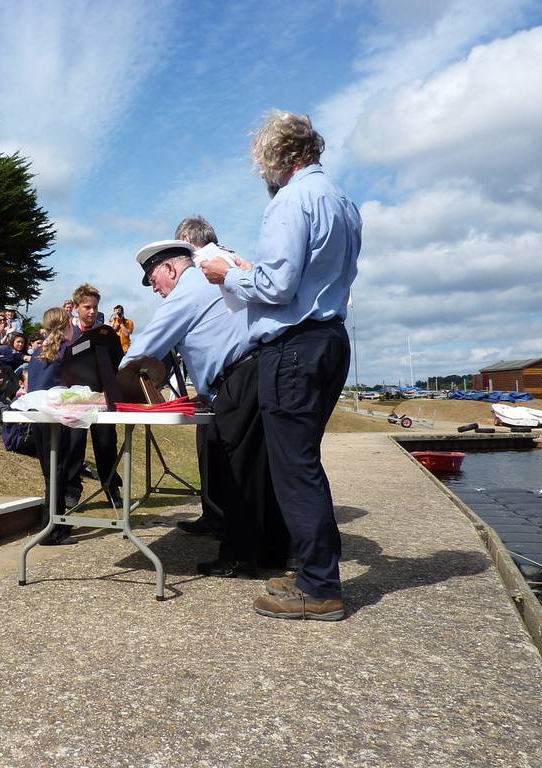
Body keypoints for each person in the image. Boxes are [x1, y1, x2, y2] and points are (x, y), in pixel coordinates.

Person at [201, 110, 361, 621]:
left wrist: (227, 273)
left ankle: (319, 586)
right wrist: (256, 273)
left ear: (278, 157)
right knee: (304, 462)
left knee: (295, 468)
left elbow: (276, 288)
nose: (263, 174)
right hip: (329, 337)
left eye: (262, 163)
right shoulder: (341, 201)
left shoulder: (291, 199)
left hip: (292, 346)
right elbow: (308, 277)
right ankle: (315, 568)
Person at [122, 234, 290, 579]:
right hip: (253, 374)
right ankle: (272, 554)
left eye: (154, 280)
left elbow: (143, 349)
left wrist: (103, 385)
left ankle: (240, 557)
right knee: (259, 471)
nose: (154, 289)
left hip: (241, 379)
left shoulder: (185, 292)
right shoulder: (209, 280)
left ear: (169, 268)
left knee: (236, 474)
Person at [26, 306, 80, 545]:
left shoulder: (37, 352)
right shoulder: (67, 351)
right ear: (67, 324)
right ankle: (53, 530)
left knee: (50, 473)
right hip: (56, 417)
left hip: (38, 417)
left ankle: (51, 524)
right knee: (58, 471)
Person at [67, 283, 121, 508]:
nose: (91, 311)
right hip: (76, 399)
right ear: (76, 308)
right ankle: (71, 490)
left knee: (107, 444)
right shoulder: (69, 333)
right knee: (74, 444)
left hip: (103, 397)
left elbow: (119, 361)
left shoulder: (106, 334)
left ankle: (111, 488)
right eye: (86, 307)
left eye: (95, 307)